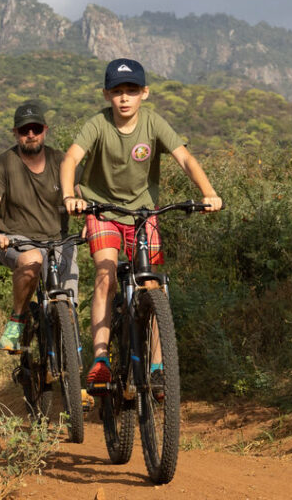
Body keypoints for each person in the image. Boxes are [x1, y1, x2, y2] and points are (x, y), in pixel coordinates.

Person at [61, 58, 222, 387]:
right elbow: (71, 159)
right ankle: (101, 359)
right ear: (107, 95)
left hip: (143, 213)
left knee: (153, 285)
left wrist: (209, 193)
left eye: (131, 91)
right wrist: (69, 197)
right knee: (106, 276)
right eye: (117, 91)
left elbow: (185, 158)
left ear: (144, 93)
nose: (124, 98)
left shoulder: (153, 123)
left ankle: (157, 368)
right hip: (101, 210)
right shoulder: (97, 124)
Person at [0, 99, 78, 352]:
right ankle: (17, 320)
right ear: (15, 133)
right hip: (17, 241)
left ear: (45, 129)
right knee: (32, 260)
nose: (30, 135)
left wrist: (90, 219)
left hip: (59, 241)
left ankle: (71, 371)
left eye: (35, 128)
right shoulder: (3, 163)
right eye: (24, 130)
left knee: (68, 305)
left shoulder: (61, 161)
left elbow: (81, 195)